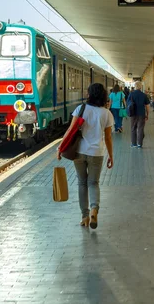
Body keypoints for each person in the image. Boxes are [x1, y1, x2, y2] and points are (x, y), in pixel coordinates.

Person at [58, 83, 114, 229]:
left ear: (89, 94)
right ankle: (94, 209)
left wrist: (60, 148)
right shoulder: (106, 113)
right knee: (93, 183)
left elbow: (70, 130)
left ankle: (85, 216)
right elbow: (108, 138)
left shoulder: (81, 108)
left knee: (82, 183)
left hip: (79, 152)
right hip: (97, 153)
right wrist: (111, 156)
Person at [127, 81, 150, 148]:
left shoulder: (131, 94)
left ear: (135, 86)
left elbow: (127, 104)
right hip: (141, 114)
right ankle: (139, 144)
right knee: (140, 128)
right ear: (141, 87)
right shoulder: (144, 95)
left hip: (133, 114)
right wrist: (147, 114)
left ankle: (134, 144)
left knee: (133, 128)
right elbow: (147, 106)